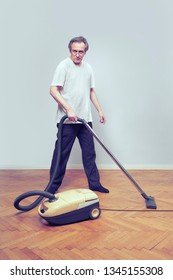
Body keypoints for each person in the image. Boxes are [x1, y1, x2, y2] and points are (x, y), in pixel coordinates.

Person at [48, 36, 109, 194]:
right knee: (61, 155)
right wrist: (68, 109)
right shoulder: (64, 66)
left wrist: (100, 111)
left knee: (89, 154)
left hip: (85, 120)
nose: (77, 54)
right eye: (74, 51)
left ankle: (94, 183)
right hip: (67, 121)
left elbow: (91, 91)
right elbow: (53, 90)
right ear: (70, 50)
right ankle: (52, 187)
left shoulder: (87, 68)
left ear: (85, 52)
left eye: (81, 52)